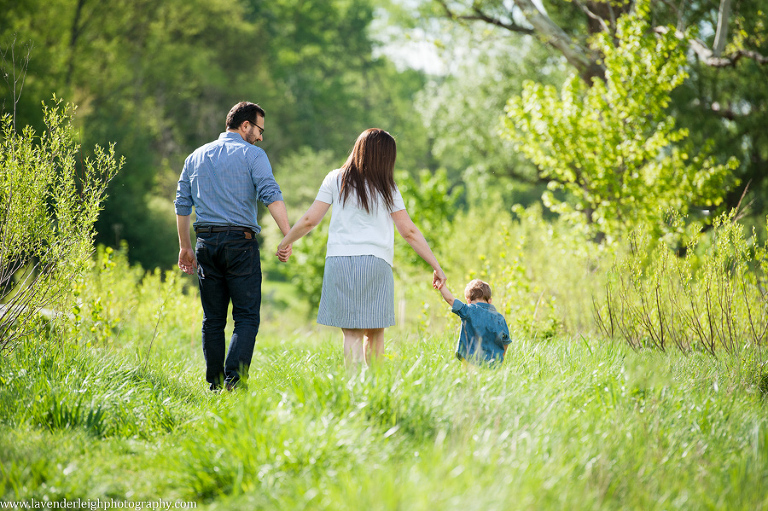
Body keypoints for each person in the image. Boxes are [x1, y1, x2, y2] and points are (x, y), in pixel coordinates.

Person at [276, 128, 446, 366]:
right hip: (377, 263)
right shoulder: (388, 187)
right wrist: (435, 265)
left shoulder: (336, 178)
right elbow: (408, 231)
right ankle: (375, 390)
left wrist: (286, 242)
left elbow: (309, 220)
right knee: (375, 333)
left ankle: (354, 389)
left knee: (352, 334)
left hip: (341, 262)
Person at [174, 101, 292, 391]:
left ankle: (214, 386)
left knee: (212, 319)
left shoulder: (196, 156)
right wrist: (288, 236)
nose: (261, 137)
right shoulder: (253, 155)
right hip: (241, 244)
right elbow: (271, 195)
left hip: (206, 243)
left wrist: (185, 247)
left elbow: (181, 204)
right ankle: (234, 384)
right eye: (259, 129)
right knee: (247, 316)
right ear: (245, 126)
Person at [438, 279, 511, 366]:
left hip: (470, 362)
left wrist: (440, 285)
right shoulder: (500, 318)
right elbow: (505, 341)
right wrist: (501, 359)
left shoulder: (468, 310)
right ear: (490, 301)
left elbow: (450, 299)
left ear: (468, 300)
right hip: (493, 365)